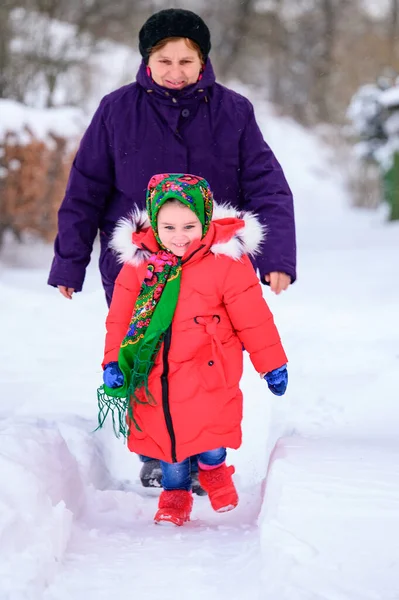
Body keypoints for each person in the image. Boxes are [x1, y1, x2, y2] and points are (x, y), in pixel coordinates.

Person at [48, 8, 296, 490]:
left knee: (206, 361)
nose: (176, 71)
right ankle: (158, 454)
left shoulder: (233, 111)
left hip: (213, 266)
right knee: (145, 356)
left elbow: (268, 185)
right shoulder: (117, 110)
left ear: (203, 60)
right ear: (147, 60)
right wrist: (69, 262)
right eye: (165, 60)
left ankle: (205, 451)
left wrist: (276, 259)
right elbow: (86, 189)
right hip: (138, 265)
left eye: (187, 60)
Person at [98, 173, 288, 526]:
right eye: (168, 227)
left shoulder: (226, 262)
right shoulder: (140, 264)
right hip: (154, 372)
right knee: (166, 436)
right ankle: (175, 493)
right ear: (154, 223)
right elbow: (120, 320)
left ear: (204, 219)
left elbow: (253, 318)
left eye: (189, 226)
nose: (179, 236)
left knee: (211, 430)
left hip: (209, 367)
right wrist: (114, 362)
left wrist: (271, 363)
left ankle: (214, 469)